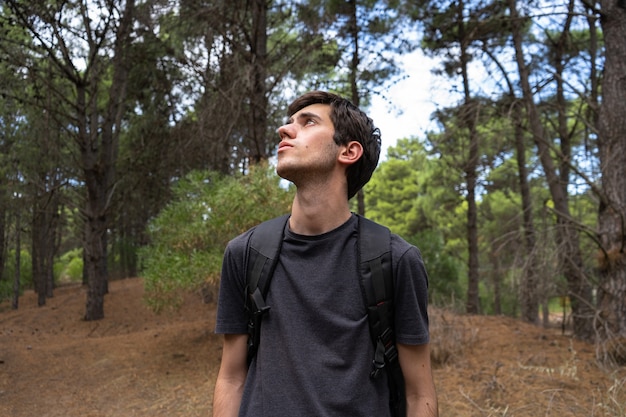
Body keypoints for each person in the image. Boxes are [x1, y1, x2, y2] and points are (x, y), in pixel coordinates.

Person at [212, 91, 438, 417]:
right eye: (289, 122)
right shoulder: (245, 253)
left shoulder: (395, 260)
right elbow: (231, 378)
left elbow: (419, 393)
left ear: (349, 151)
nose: (284, 130)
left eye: (308, 122)